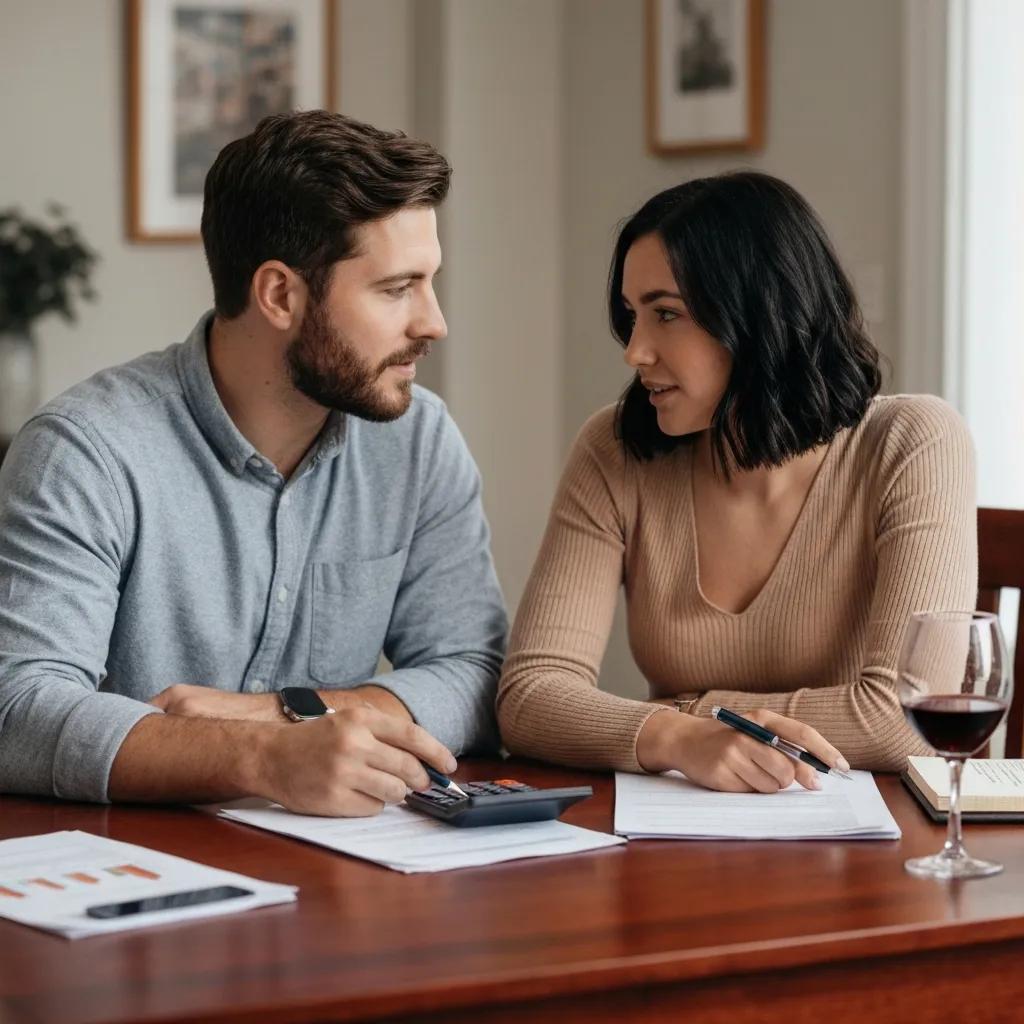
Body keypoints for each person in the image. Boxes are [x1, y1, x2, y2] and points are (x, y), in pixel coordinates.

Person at [0, 110, 507, 815]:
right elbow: (18, 709)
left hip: (340, 872)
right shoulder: (85, 450)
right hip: (132, 875)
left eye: (429, 283)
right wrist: (265, 759)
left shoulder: (418, 440)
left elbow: (480, 674)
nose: (434, 322)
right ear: (280, 295)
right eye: (397, 289)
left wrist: (282, 714)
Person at [497, 171, 976, 793]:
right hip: (684, 832)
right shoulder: (614, 450)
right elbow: (530, 697)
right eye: (631, 316)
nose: (635, 351)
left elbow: (903, 720)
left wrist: (694, 708)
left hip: (877, 848)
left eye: (667, 314)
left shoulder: (913, 441)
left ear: (760, 315)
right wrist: (676, 737)